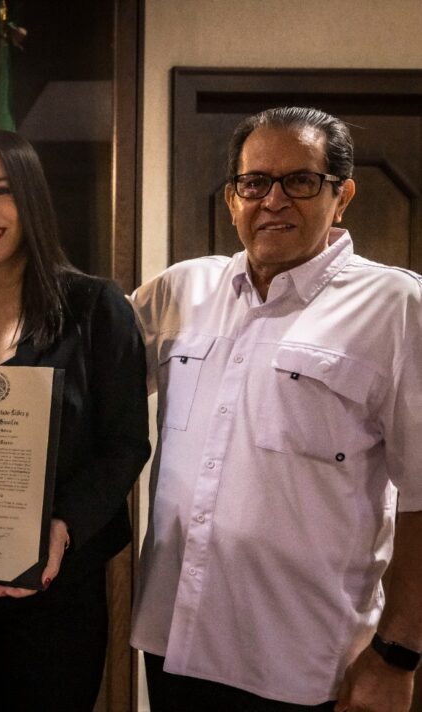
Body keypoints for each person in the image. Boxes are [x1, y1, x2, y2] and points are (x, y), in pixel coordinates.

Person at [130, 106, 422, 711]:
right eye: (255, 182)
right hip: (175, 643)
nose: (274, 200)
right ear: (232, 198)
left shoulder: (396, 306)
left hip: (306, 664)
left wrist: (397, 654)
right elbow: (74, 354)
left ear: (342, 197)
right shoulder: (182, 290)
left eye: (301, 181)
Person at [0, 129, 150, 711]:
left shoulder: (96, 309)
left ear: (32, 199)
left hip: (57, 592)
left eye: (0, 190)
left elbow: (125, 443)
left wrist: (64, 523)